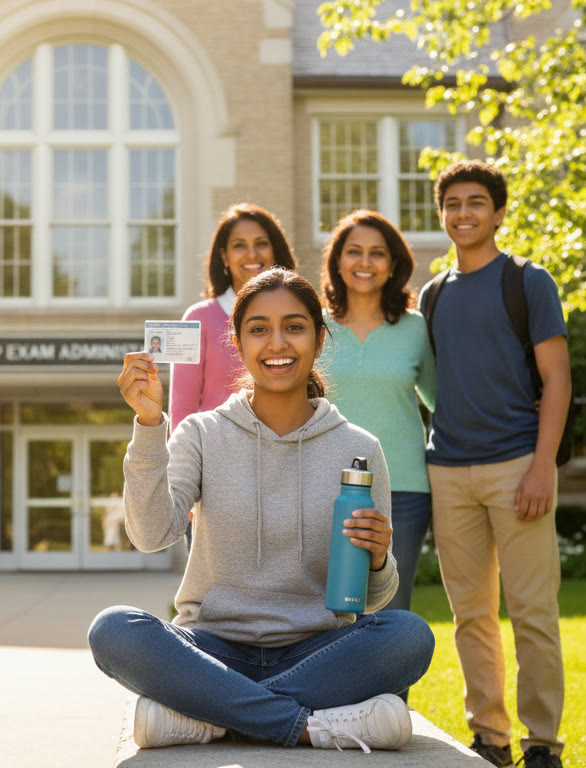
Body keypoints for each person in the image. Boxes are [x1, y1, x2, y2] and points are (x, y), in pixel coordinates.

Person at [89, 268, 435, 752]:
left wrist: (378, 561)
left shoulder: (360, 448)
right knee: (113, 629)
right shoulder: (201, 434)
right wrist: (149, 424)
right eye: (258, 329)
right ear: (238, 342)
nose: (278, 343)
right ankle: (308, 724)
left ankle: (211, 717)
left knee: (409, 636)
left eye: (294, 326)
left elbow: (372, 599)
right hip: (211, 649)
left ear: (319, 338)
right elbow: (151, 534)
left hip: (318, 649)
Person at [420, 160, 571, 768]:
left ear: (499, 212)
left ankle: (542, 742)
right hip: (448, 471)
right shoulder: (432, 296)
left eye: (476, 202)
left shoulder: (527, 281)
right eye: (452, 203)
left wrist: (542, 467)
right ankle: (490, 737)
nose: (463, 213)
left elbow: (557, 381)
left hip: (518, 466)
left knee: (534, 611)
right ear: (442, 214)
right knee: (471, 615)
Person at [319, 209, 436, 622]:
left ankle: (390, 692)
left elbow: (443, 402)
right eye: (354, 252)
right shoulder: (317, 327)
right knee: (324, 608)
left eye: (377, 253)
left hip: (403, 488)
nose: (365, 263)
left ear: (393, 265)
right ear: (337, 262)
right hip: (323, 483)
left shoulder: (416, 329)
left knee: (390, 611)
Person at [168, 203, 297, 426]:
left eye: (261, 244)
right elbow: (181, 409)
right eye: (240, 246)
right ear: (224, 257)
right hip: (215, 455)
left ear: (275, 251)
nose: (252, 254)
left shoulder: (299, 316)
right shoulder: (195, 319)